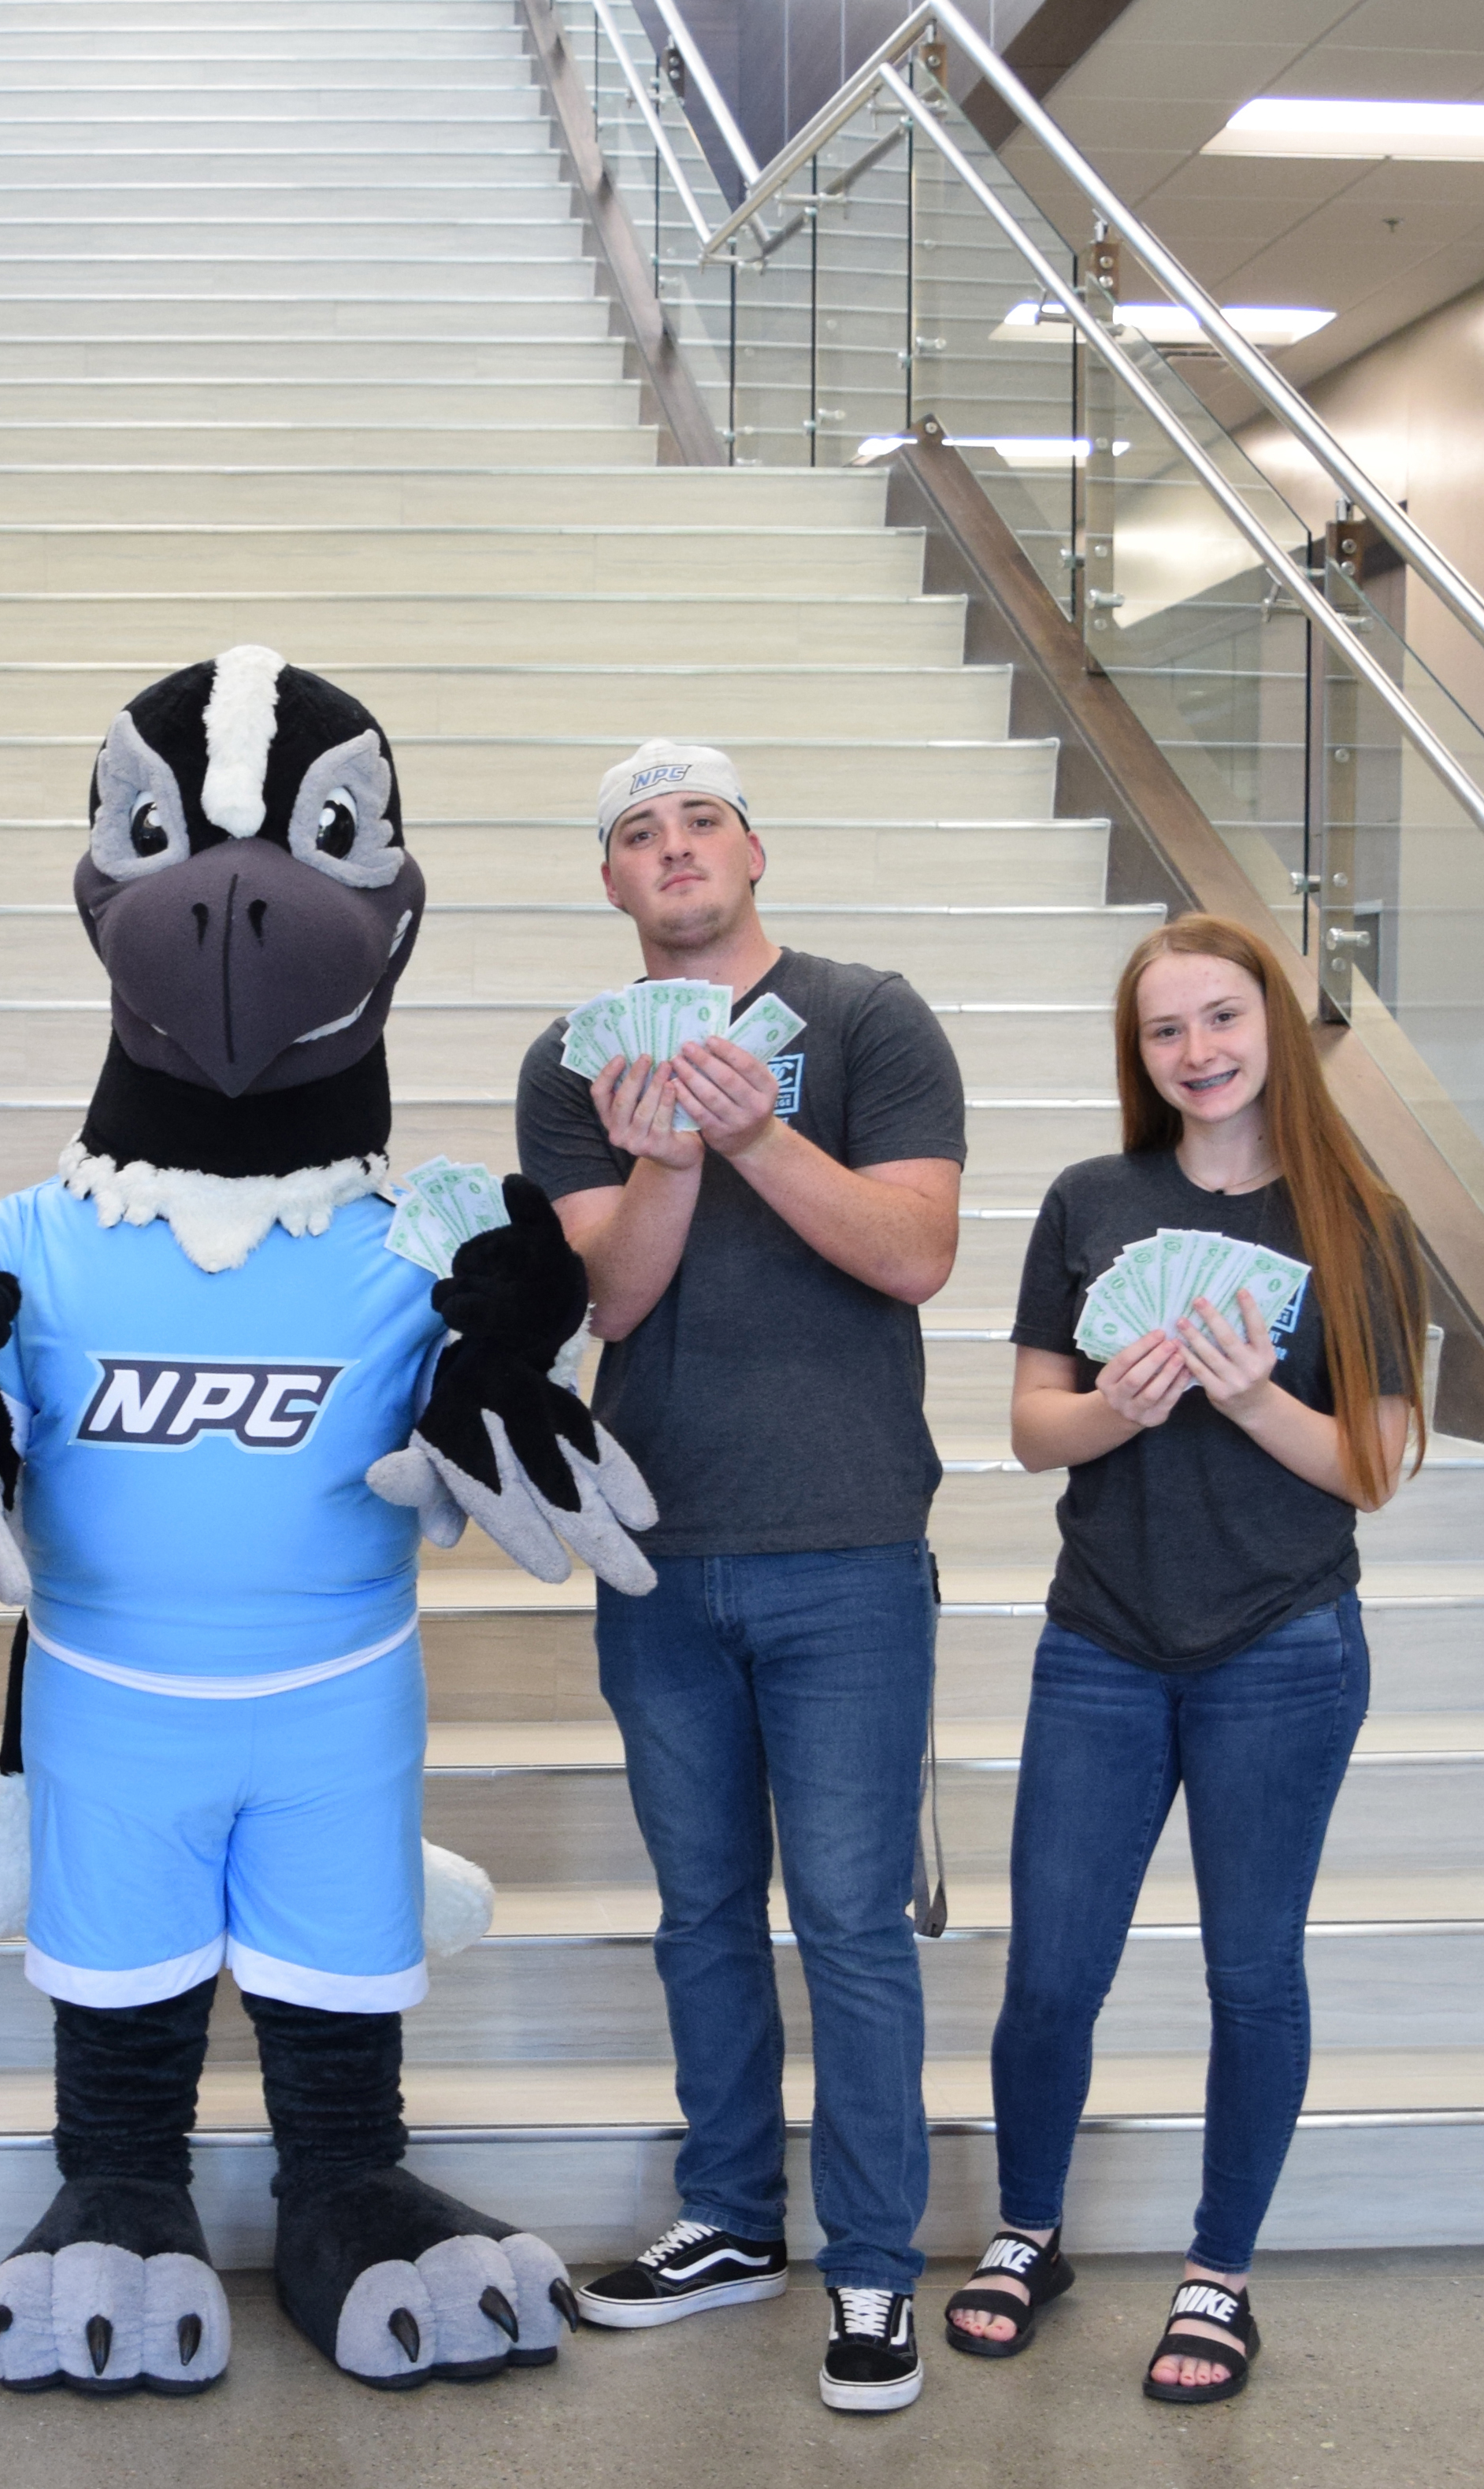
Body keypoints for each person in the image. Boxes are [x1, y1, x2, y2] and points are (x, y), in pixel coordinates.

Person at [513, 740, 968, 2415]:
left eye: (700, 817)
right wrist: (673, 1158)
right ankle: (728, 2219)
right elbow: (605, 1306)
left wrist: (755, 1127)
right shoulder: (573, 1064)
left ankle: (869, 2265)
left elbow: (914, 1250)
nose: (674, 845)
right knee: (701, 1908)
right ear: (613, 886)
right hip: (658, 1543)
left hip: (847, 1542)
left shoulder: (867, 1019)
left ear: (754, 849)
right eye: (639, 832)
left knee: (850, 1919)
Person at [972, 913, 1423, 2406]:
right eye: (1167, 1031)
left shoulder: (1355, 1215)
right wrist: (1126, 1404)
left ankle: (1219, 2273)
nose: (1199, 1052)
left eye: (1222, 1019)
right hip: (1103, 1635)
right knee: (1051, 1973)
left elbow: (1376, 1466)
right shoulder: (1093, 1198)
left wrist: (1241, 1398)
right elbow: (1035, 1429)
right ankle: (1027, 2235)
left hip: (1282, 1645)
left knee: (1252, 1972)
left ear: (1273, 1027)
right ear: (1141, 1054)